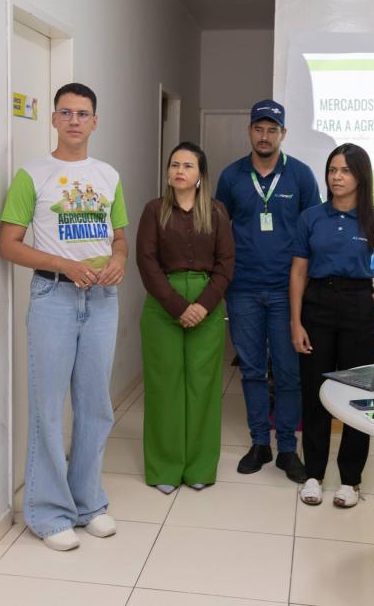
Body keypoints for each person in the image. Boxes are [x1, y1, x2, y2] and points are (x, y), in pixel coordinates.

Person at [0, 82, 127, 551]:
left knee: (95, 407)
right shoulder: (32, 175)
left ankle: (88, 503)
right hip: (53, 296)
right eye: (66, 112)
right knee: (48, 408)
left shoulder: (108, 175)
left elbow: (119, 238)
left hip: (102, 300)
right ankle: (49, 513)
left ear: (95, 121)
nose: (75, 120)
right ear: (53, 119)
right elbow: (9, 245)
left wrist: (119, 260)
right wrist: (64, 265)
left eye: (83, 113)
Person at [289, 143, 374, 508]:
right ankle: (313, 474)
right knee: (315, 393)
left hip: (360, 308)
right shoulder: (311, 217)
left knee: (357, 396)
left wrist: (372, 300)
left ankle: (351, 480)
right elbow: (299, 271)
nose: (337, 177)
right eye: (332, 170)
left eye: (345, 171)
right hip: (317, 306)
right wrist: (296, 322)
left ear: (360, 177)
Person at [215, 99, 320, 482]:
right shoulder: (231, 176)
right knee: (253, 371)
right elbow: (218, 230)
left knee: (289, 372)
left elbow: (314, 231)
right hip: (242, 289)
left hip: (286, 291)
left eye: (272, 130)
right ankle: (260, 442)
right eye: (259, 129)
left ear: (283, 134)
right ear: (249, 131)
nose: (264, 136)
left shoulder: (301, 176)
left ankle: (287, 449)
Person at [136, 142, 234, 494]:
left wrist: (203, 305)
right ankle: (165, 466)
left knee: (203, 386)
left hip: (208, 303)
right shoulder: (154, 210)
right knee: (165, 386)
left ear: (200, 175)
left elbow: (226, 263)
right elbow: (146, 262)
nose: (179, 170)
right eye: (174, 164)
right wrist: (179, 307)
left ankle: (199, 467)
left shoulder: (217, 211)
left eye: (188, 165)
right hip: (163, 304)